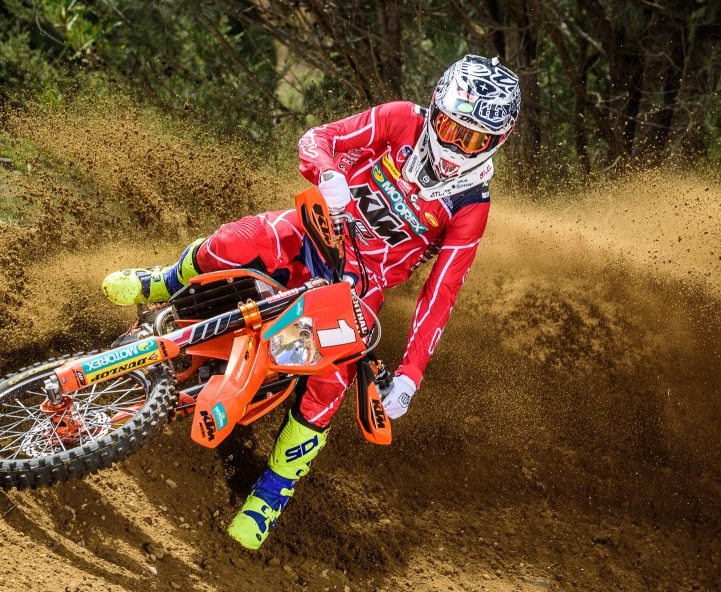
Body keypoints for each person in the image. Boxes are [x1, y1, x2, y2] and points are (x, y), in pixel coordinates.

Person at [102, 55, 521, 550]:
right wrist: (328, 173)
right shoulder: (401, 119)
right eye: (452, 128)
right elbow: (317, 138)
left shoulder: (472, 205)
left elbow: (441, 294)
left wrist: (410, 375)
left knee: (330, 385)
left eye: (474, 140)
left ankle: (270, 495)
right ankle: (164, 282)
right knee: (234, 242)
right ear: (435, 109)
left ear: (497, 141)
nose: (456, 146)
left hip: (358, 289)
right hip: (314, 230)